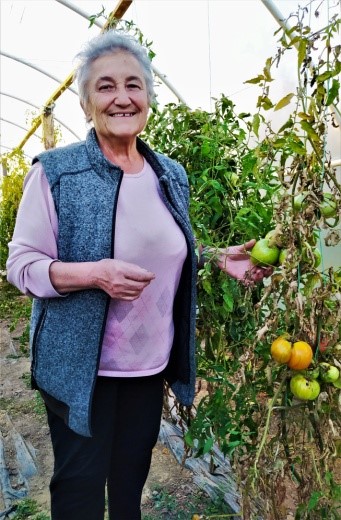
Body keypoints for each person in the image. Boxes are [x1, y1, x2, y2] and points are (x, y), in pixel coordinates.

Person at [6, 31, 270, 520]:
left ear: (149, 97)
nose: (122, 97)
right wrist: (94, 274)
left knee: (130, 484)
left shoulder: (170, 173)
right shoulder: (56, 173)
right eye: (105, 87)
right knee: (80, 492)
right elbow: (20, 266)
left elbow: (163, 247)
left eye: (134, 85)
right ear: (86, 104)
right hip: (81, 371)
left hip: (148, 367)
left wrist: (212, 257)